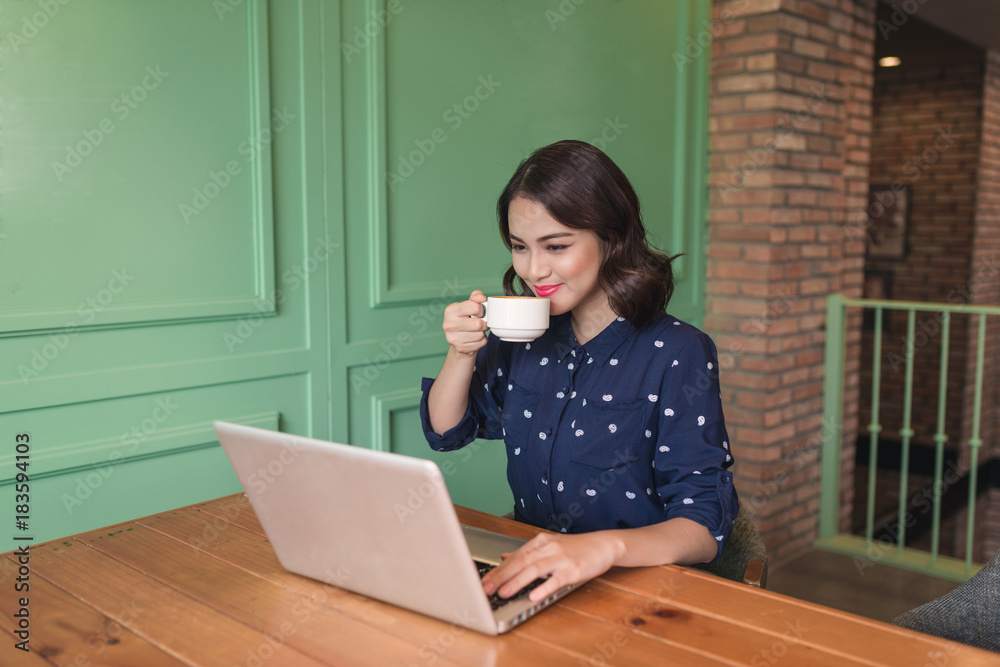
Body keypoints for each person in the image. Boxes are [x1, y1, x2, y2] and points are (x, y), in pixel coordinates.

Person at [419, 140, 738, 603]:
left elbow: (704, 525)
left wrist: (599, 550)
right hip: (532, 578)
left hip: (637, 592)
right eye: (519, 247)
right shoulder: (524, 337)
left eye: (557, 246)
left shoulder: (677, 352)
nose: (534, 269)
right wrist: (461, 353)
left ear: (612, 237)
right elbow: (447, 430)